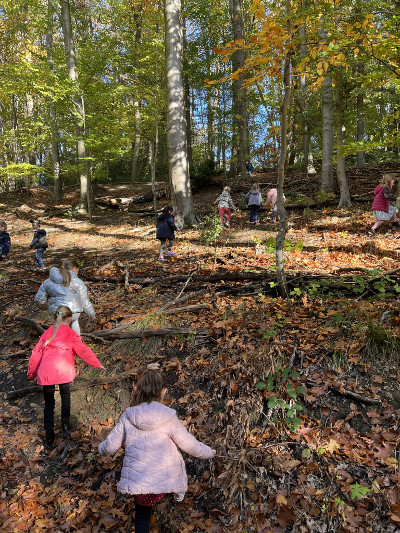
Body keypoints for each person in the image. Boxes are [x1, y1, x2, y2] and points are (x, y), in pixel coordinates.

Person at [97, 369, 215, 533]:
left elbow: (110, 446)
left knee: (142, 516)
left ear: (139, 389)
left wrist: (100, 449)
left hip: (139, 483)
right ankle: (177, 491)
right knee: (173, 456)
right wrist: (208, 452)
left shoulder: (128, 416)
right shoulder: (168, 416)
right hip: (164, 479)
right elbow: (189, 444)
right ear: (163, 392)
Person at [27, 305, 105, 448]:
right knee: (65, 396)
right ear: (69, 319)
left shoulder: (47, 333)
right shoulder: (71, 334)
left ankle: (49, 434)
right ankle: (65, 425)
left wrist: (31, 374)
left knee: (49, 404)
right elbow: (83, 350)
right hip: (63, 371)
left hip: (47, 373)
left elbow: (36, 355)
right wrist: (96, 364)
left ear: (54, 317)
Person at [34, 258, 96, 335]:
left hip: (56, 312)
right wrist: (91, 314)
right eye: (77, 272)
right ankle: (76, 342)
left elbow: (39, 299)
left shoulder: (47, 282)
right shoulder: (78, 282)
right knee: (74, 322)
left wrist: (46, 307)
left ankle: (59, 343)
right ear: (74, 269)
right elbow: (84, 300)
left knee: (58, 324)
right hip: (73, 312)